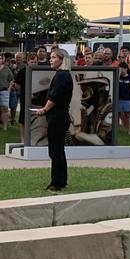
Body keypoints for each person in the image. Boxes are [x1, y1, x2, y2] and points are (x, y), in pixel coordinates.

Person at [36, 49, 74, 192]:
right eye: (50, 57)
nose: (50, 60)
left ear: (62, 59)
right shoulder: (63, 75)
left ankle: (56, 183)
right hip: (60, 116)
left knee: (55, 150)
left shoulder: (61, 76)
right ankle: (61, 180)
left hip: (58, 116)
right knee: (58, 150)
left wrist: (44, 110)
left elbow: (54, 97)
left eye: (53, 57)